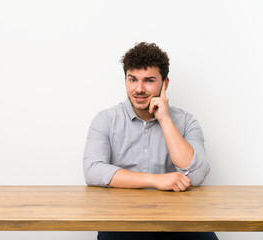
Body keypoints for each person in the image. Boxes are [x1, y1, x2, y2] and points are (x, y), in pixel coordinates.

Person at [83, 42, 218, 240]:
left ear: (165, 84)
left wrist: (165, 120)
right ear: (125, 80)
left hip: (180, 219)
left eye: (149, 80)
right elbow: (93, 170)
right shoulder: (105, 120)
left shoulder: (186, 121)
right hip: (122, 220)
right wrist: (155, 180)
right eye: (132, 79)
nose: (139, 89)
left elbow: (196, 175)